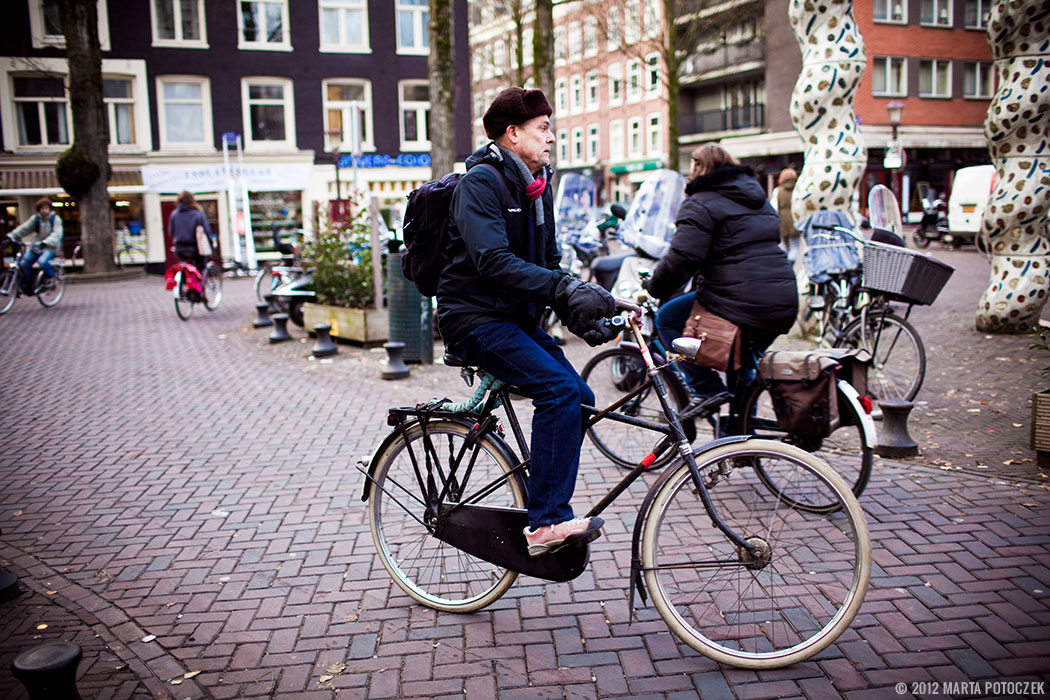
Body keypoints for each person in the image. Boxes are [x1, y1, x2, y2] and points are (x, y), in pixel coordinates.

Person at [437, 87, 616, 557]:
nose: (552, 137)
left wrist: (580, 314)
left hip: (513, 318)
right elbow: (492, 261)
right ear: (513, 134)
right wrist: (561, 290)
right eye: (544, 128)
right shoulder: (480, 183)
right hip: (472, 318)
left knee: (578, 395)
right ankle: (545, 523)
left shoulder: (539, 185)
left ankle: (545, 498)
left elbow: (551, 263)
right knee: (556, 391)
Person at [646, 143, 799, 413]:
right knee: (743, 367)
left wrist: (656, 286)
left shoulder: (700, 202)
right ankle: (739, 442)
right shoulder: (758, 197)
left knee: (667, 320)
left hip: (741, 299)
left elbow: (682, 258)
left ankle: (707, 389)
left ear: (698, 167)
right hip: (782, 296)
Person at [7, 197, 63, 294]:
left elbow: (57, 234)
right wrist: (11, 235)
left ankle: (50, 278)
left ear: (50, 209)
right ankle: (28, 285)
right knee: (24, 263)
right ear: (39, 210)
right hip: (37, 245)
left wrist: (45, 242)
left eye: (46, 208)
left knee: (42, 262)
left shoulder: (55, 219)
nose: (44, 210)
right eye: (42, 208)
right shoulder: (36, 219)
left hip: (50, 247)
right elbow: (24, 228)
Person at [169, 191, 213, 298]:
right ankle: (198, 291)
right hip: (195, 247)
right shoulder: (197, 213)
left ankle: (184, 284)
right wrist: (211, 241)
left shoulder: (174, 214)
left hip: (179, 248)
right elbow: (206, 231)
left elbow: (171, 232)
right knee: (200, 266)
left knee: (185, 266)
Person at [776, 167, 800, 262]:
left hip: (782, 221)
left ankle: (785, 263)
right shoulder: (798, 191)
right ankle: (790, 263)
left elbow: (774, 208)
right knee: (795, 245)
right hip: (795, 220)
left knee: (784, 245)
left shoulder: (778, 192)